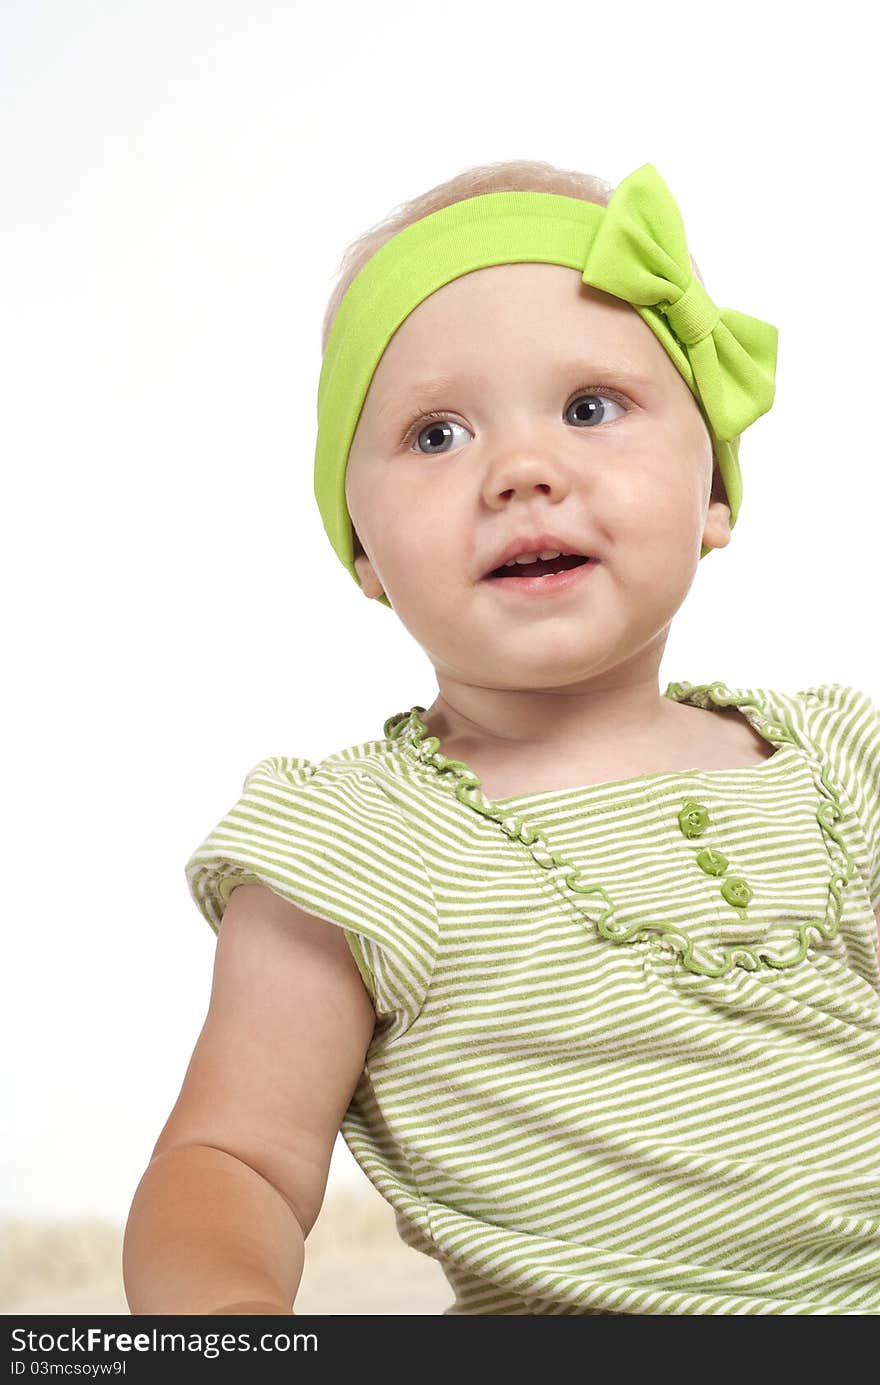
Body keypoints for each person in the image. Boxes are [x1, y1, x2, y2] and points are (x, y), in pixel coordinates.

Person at [122, 160, 880, 1316]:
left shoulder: (840, 760)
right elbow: (234, 1161)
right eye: (436, 433)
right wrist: (226, 1322)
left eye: (589, 408)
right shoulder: (356, 841)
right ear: (365, 553)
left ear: (713, 489)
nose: (521, 471)